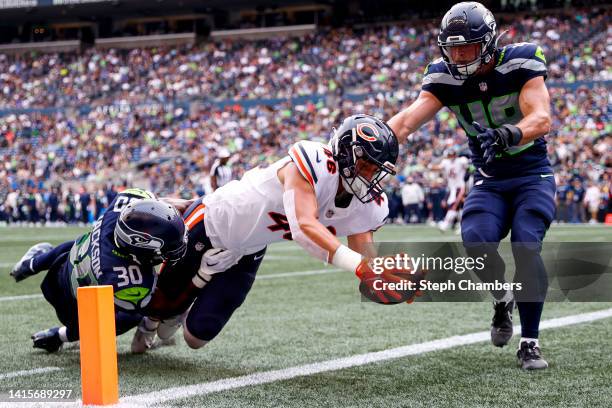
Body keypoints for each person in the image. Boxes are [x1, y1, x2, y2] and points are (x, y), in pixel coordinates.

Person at [131, 114, 417, 353]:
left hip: (249, 250)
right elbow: (303, 226)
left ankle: (181, 306)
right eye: (365, 165)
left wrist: (384, 274)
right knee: (152, 310)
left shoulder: (367, 202)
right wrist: (362, 268)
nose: (369, 176)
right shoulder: (315, 160)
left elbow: (364, 254)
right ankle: (157, 316)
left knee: (196, 338)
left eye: (375, 170)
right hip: (213, 221)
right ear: (343, 152)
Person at [388, 2, 554, 369]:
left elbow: (541, 118)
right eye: (453, 48)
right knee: (476, 241)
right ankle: (501, 299)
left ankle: (530, 342)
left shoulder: (521, 62)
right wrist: (374, 140)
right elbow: (405, 122)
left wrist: (510, 133)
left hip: (531, 175)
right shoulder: (442, 77)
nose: (459, 56)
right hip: (490, 180)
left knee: (527, 245)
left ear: (490, 42)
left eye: (468, 47)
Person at [10, 188, 188, 352]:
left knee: (78, 244)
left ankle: (30, 264)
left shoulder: (122, 211)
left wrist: (175, 208)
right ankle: (59, 335)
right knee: (131, 316)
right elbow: (160, 306)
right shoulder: (122, 277)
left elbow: (151, 206)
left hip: (66, 264)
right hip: (70, 304)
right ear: (139, 245)